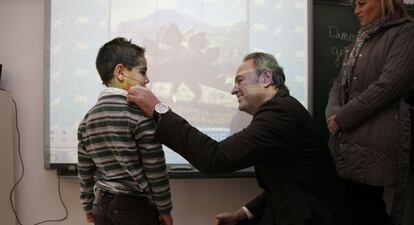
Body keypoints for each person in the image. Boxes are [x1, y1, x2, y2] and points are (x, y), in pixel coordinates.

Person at [127, 52, 354, 225]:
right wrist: (243, 213)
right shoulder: (282, 109)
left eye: (240, 81)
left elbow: (215, 157)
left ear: (266, 78)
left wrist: (159, 110)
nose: (234, 90)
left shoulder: (280, 113)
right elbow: (286, 184)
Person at [325, 0, 414, 225]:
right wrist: (332, 113)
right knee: (351, 207)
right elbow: (338, 85)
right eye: (354, 5)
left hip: (374, 142)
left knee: (367, 208)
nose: (356, 11)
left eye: (362, 3)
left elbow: (390, 85)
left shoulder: (406, 32)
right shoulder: (361, 40)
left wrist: (342, 118)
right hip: (347, 141)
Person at [77, 37, 173, 225]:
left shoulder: (87, 120)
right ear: (120, 72)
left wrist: (88, 205)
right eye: (143, 72)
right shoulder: (140, 115)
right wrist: (165, 209)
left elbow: (85, 170)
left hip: (100, 205)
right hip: (134, 208)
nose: (147, 79)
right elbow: (155, 168)